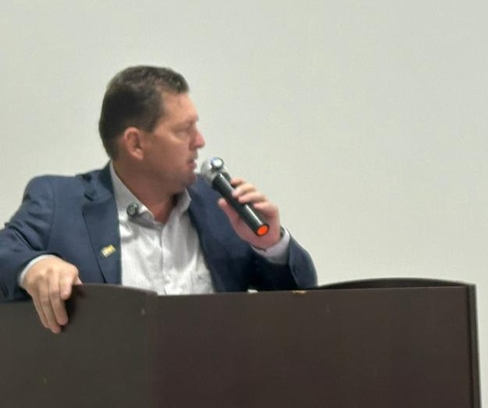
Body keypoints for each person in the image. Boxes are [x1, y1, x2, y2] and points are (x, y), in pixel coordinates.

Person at [0, 65, 317, 333]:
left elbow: (301, 300)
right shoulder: (61, 201)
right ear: (135, 144)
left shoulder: (220, 208)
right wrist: (34, 266)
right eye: (184, 130)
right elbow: (6, 249)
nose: (200, 141)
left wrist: (270, 244)